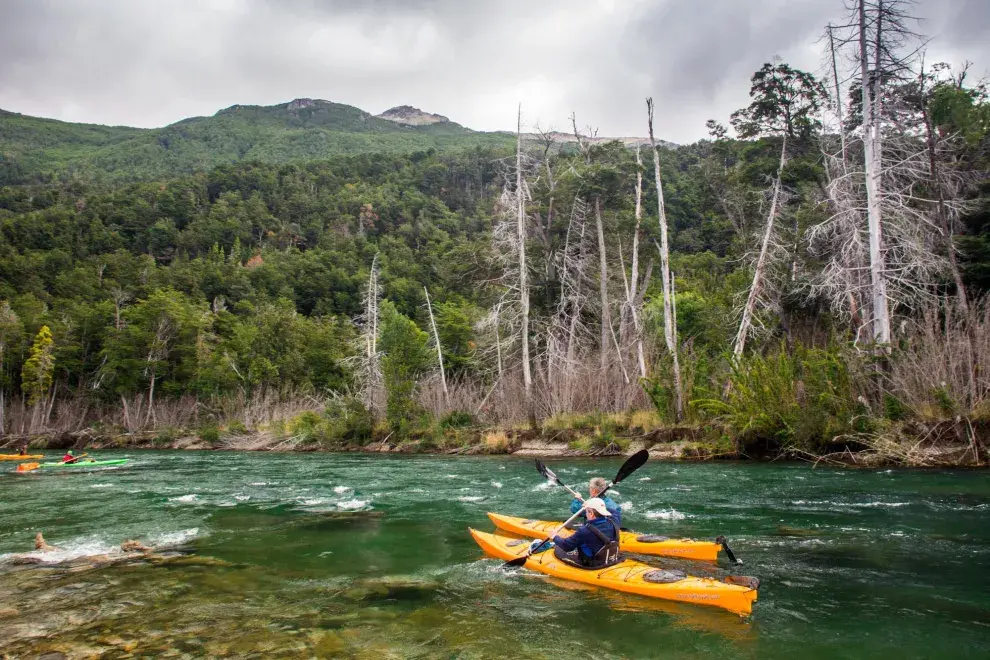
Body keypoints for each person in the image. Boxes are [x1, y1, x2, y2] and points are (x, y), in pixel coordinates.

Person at [544, 498, 620, 569]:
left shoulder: (584, 531)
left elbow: (566, 546)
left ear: (591, 513)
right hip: (610, 558)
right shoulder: (614, 521)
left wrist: (554, 537)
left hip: (592, 563)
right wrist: (597, 506)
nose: (586, 514)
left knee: (560, 550)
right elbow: (615, 511)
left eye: (586, 511)